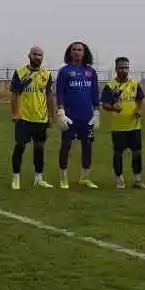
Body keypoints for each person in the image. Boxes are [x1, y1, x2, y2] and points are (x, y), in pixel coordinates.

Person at [54, 41, 101, 189]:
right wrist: (60, 111)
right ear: (70, 52)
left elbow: (94, 93)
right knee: (66, 145)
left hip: (86, 116)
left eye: (79, 50)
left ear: (84, 52)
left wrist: (97, 112)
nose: (76, 52)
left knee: (87, 146)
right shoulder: (64, 71)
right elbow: (60, 92)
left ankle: (85, 178)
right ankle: (63, 178)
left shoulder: (91, 72)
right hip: (69, 116)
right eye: (74, 49)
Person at [9, 45, 55, 190]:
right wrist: (15, 113)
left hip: (41, 118)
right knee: (20, 146)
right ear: (29, 56)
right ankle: (16, 178)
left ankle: (39, 178)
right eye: (35, 54)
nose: (38, 57)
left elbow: (49, 96)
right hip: (24, 118)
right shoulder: (20, 73)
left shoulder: (46, 75)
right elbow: (14, 94)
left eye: (40, 55)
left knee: (39, 148)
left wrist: (51, 116)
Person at [100, 56, 145, 189]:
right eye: (121, 68)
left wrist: (139, 110)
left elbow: (140, 100)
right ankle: (119, 179)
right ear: (116, 69)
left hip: (134, 126)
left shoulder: (135, 84)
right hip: (118, 127)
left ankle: (138, 180)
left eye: (126, 67)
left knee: (137, 153)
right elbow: (104, 104)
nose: (124, 70)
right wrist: (113, 107)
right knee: (118, 153)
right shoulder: (110, 86)